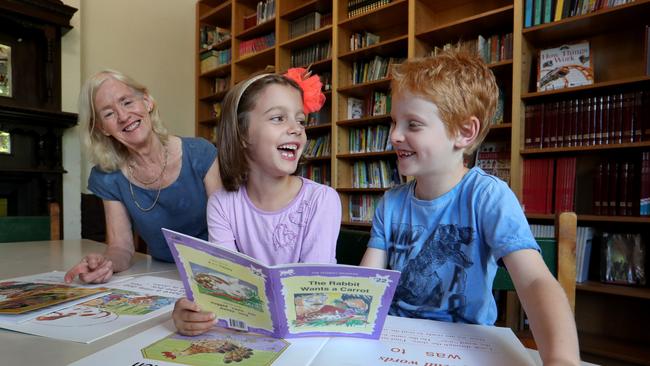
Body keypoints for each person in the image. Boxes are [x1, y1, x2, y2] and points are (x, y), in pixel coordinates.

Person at [359, 51, 580, 365]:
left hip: (466, 348)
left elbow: (534, 281)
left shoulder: (489, 197)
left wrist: (562, 359)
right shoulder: (391, 203)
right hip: (393, 344)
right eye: (394, 121)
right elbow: (367, 286)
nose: (394, 135)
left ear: (464, 132)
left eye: (413, 124)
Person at [172, 68, 341, 336]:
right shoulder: (221, 204)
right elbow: (224, 288)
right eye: (278, 118)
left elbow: (312, 295)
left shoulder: (322, 200)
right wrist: (193, 312)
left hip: (306, 337)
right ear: (242, 135)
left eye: (300, 121)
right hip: (250, 336)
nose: (296, 129)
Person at [64, 70, 221, 284]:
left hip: (219, 270)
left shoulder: (200, 153)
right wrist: (106, 263)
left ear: (146, 102)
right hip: (163, 275)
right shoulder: (108, 177)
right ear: (102, 128)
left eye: (127, 102)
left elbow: (228, 230)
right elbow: (120, 247)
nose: (123, 116)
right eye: (108, 114)